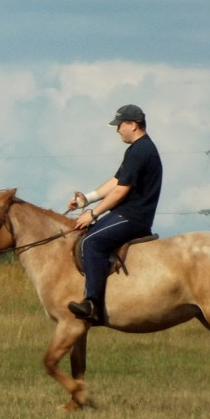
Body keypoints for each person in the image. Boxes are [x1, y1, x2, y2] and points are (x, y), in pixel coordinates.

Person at [65, 104, 162, 324]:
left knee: (90, 242)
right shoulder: (137, 149)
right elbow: (116, 180)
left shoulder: (141, 151)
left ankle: (92, 304)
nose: (117, 129)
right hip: (127, 213)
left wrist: (93, 214)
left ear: (133, 125)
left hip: (132, 216)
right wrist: (86, 199)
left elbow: (121, 190)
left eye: (120, 125)